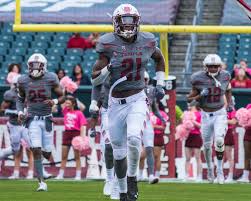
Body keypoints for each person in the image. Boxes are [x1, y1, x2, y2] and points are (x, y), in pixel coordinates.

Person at [91, 4, 166, 200]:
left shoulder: (147, 40)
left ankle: (132, 179)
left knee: (134, 138)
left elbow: (159, 58)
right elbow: (95, 79)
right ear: (115, 22)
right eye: (123, 21)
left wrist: (160, 83)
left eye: (131, 21)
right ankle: (122, 191)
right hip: (115, 103)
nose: (127, 25)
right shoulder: (107, 43)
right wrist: (108, 68)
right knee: (118, 152)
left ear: (137, 21)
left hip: (137, 98)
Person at [16, 53, 65, 191]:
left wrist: (54, 101)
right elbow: (20, 99)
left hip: (47, 119)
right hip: (32, 119)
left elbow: (62, 96)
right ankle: (42, 183)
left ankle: (40, 168)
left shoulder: (51, 77)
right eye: (33, 66)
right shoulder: (23, 80)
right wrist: (20, 112)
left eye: (38, 66)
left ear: (44, 66)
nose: (35, 69)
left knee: (47, 153)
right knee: (36, 149)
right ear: (28, 66)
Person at [187, 54, 232, 184]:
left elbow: (228, 90)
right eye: (210, 66)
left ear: (219, 66)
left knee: (219, 140)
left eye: (215, 66)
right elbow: (189, 99)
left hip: (219, 113)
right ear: (205, 67)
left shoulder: (225, 76)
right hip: (205, 115)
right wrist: (200, 95)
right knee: (207, 146)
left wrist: (230, 104)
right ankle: (210, 170)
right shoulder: (197, 78)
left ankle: (220, 172)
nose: (213, 68)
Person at [89, 76, 119, 200]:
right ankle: (109, 178)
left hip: (126, 111)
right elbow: (95, 111)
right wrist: (92, 128)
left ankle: (119, 181)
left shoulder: (129, 75)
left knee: (123, 149)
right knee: (108, 146)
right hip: (108, 112)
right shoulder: (103, 84)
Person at [0, 74, 33, 178]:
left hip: (25, 124)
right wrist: (16, 112)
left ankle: (35, 173)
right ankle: (2, 154)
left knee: (32, 146)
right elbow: (2, 110)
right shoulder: (10, 94)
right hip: (14, 124)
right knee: (15, 149)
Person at [138, 72, 165, 184]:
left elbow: (154, 108)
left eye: (145, 79)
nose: (143, 81)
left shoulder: (151, 91)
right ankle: (132, 174)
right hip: (133, 121)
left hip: (147, 121)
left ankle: (151, 175)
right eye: (142, 79)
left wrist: (161, 117)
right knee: (131, 148)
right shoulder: (131, 90)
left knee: (149, 148)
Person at [56, 95, 87, 180]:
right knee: (64, 156)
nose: (67, 105)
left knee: (77, 156)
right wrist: (65, 92)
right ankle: (60, 174)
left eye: (69, 103)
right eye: (66, 103)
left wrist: (82, 137)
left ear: (73, 104)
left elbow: (83, 125)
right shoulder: (65, 111)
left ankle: (78, 175)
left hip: (76, 134)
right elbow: (61, 101)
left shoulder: (79, 113)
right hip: (67, 133)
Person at [184, 104, 202, 182]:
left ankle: (199, 176)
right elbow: (183, 124)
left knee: (197, 157)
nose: (189, 106)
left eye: (190, 104)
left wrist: (193, 121)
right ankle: (186, 175)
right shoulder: (186, 113)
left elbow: (201, 126)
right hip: (188, 136)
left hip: (196, 136)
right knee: (187, 158)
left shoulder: (200, 114)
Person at [151, 107, 168, 180]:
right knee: (143, 156)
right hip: (148, 135)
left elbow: (163, 127)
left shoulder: (162, 113)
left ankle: (157, 175)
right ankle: (145, 174)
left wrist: (154, 126)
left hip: (157, 136)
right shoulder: (149, 112)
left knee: (156, 156)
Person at [224, 97, 237, 183]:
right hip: (221, 132)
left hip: (228, 132)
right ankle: (219, 174)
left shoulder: (232, 110)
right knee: (219, 156)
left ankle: (230, 175)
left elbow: (233, 122)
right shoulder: (220, 109)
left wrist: (223, 121)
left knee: (229, 156)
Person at [237, 103, 251, 183]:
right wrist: (244, 124)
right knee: (247, 155)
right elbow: (243, 120)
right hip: (248, 133)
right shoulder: (248, 106)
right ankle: (245, 177)